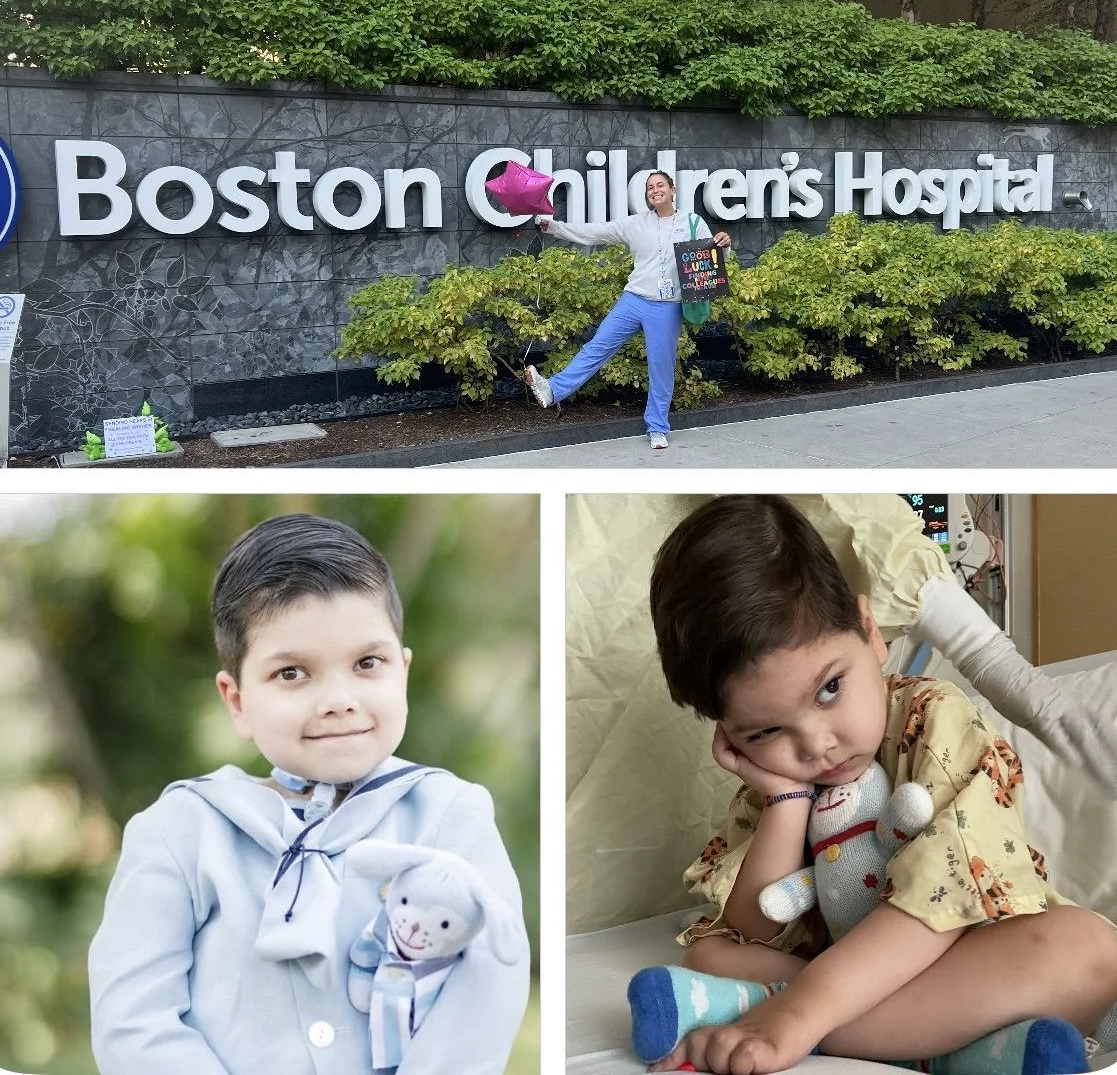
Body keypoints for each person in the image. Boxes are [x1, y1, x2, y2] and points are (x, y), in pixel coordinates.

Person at [629, 494, 1117, 1075]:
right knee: (711, 950)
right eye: (764, 730)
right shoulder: (776, 780)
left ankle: (779, 1014)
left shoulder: (932, 719)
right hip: (871, 985)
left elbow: (939, 899)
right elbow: (755, 928)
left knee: (1088, 950)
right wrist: (784, 801)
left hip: (973, 954)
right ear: (729, 734)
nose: (815, 745)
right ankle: (969, 1052)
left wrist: (801, 1013)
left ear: (869, 632)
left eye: (829, 688)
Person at [87, 515, 530, 1075]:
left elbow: (491, 979)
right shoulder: (180, 831)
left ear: (403, 671)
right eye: (293, 673)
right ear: (238, 700)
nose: (339, 699)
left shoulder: (448, 813)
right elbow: (134, 1021)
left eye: (368, 663)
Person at [522, 170, 731, 451]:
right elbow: (595, 232)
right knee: (597, 346)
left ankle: (657, 428)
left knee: (661, 368)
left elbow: (710, 261)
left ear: (672, 189)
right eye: (650, 187)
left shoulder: (693, 223)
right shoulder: (636, 224)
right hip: (633, 300)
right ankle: (553, 390)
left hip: (667, 307)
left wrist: (725, 247)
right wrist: (555, 227)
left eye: (660, 185)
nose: (655, 190)